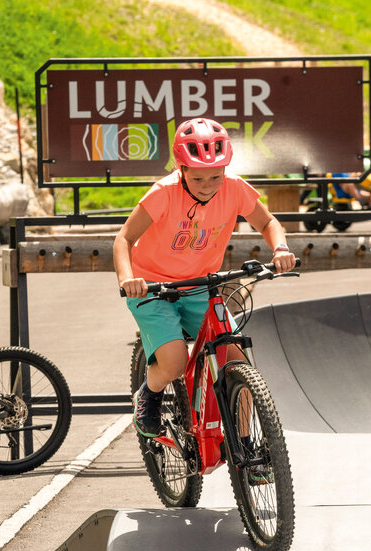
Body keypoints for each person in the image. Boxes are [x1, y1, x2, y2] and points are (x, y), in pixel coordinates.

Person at [113, 117, 296, 440]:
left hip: (200, 285)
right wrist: (128, 279)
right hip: (153, 288)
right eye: (198, 179)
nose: (209, 185)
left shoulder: (235, 188)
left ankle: (246, 446)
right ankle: (149, 393)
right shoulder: (163, 193)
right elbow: (124, 239)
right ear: (180, 170)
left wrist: (280, 248)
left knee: (237, 358)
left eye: (216, 176)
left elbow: (269, 223)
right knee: (173, 363)